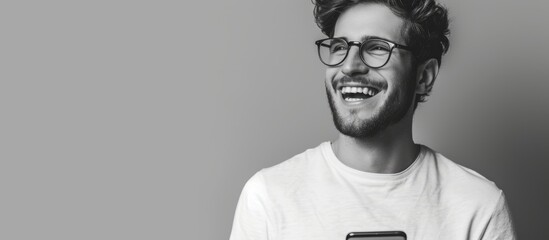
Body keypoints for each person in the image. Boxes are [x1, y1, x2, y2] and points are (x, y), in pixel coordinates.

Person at [230, 0, 516, 239]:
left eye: (377, 47)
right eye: (340, 47)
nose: (350, 66)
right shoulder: (268, 198)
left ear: (423, 77)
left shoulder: (478, 208)